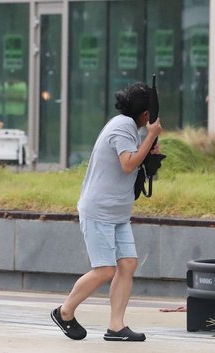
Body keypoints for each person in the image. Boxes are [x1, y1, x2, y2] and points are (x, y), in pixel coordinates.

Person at [50, 82, 163, 342]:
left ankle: (116, 327)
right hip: (99, 210)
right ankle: (64, 311)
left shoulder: (129, 127)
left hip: (117, 212)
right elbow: (127, 164)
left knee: (127, 264)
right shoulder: (123, 127)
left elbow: (134, 162)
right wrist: (149, 137)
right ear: (146, 114)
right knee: (105, 270)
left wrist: (149, 151)